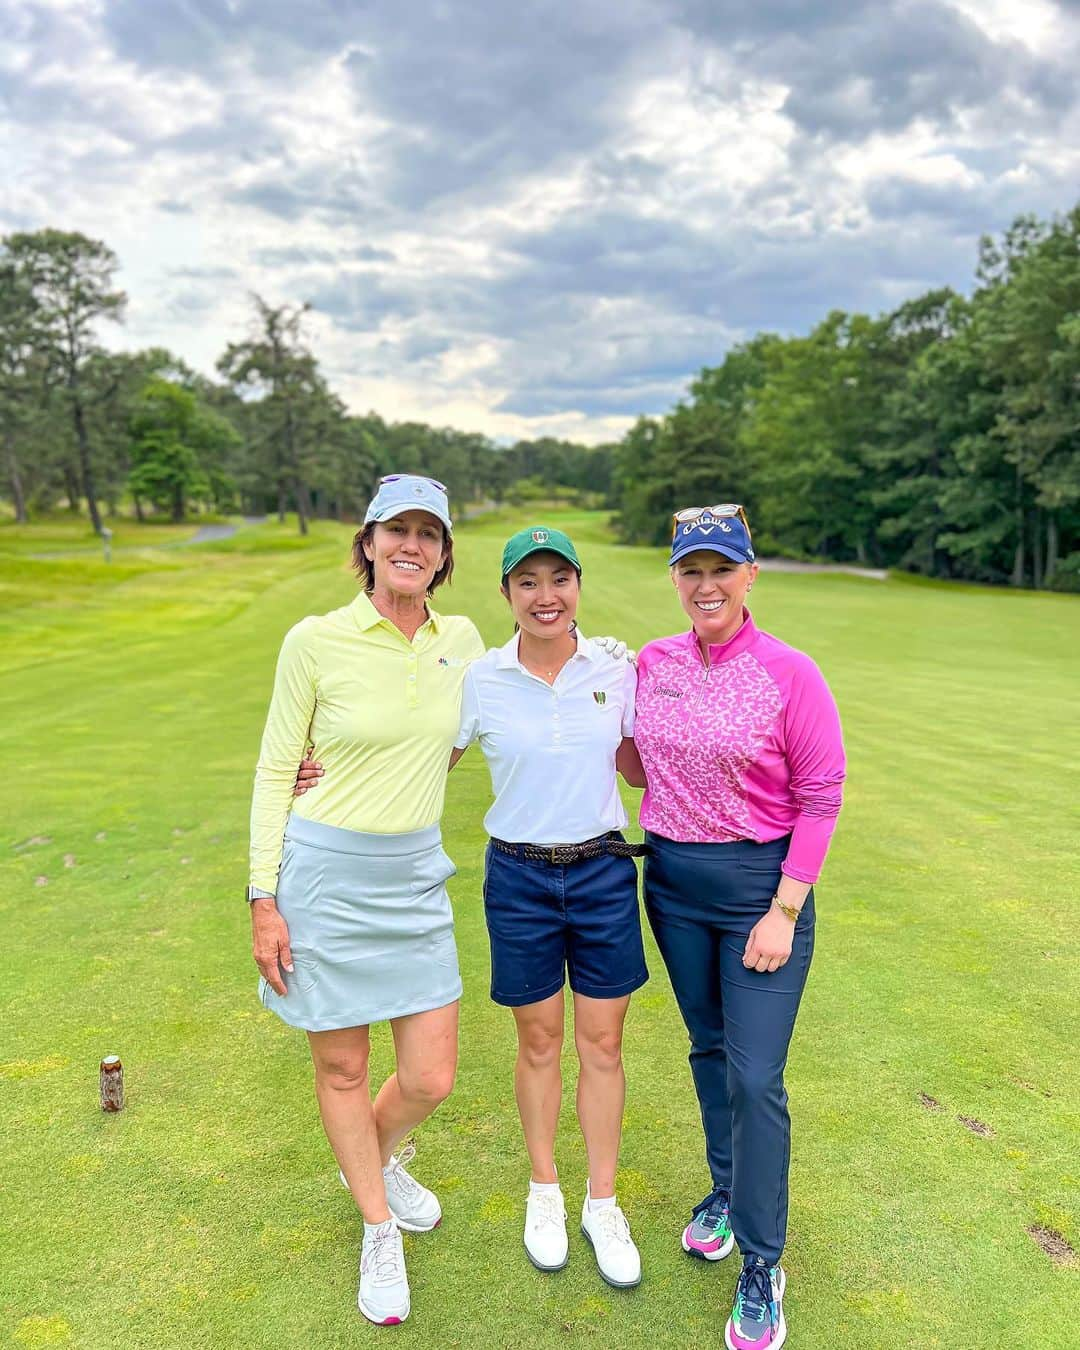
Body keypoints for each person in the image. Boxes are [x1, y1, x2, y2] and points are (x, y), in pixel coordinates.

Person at [247, 473, 485, 1327]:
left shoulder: (461, 637)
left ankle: (372, 1163)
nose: (410, 545)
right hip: (324, 878)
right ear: (369, 543)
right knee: (342, 1066)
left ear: (445, 553)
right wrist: (262, 899)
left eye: (428, 532)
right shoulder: (314, 640)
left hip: (413, 876)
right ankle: (376, 1225)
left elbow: (453, 740)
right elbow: (279, 767)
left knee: (432, 1073)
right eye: (396, 531)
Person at [626, 504, 845, 1350]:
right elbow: (637, 756)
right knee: (709, 1050)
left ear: (751, 575)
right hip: (672, 884)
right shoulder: (654, 661)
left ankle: (762, 1260)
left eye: (722, 569)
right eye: (691, 570)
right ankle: (725, 1187)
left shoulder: (791, 673)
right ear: (675, 578)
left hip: (761, 890)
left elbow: (821, 797)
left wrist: (784, 909)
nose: (705, 585)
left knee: (755, 1077)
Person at [450, 526, 648, 1288]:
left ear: (578, 587)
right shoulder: (483, 680)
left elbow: (636, 770)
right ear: (505, 594)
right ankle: (545, 1191)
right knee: (538, 1044)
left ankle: (603, 1201)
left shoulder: (613, 669)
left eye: (558, 579)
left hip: (601, 873)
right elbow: (427, 757)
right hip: (521, 879)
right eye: (527, 582)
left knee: (602, 1045)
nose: (545, 596)